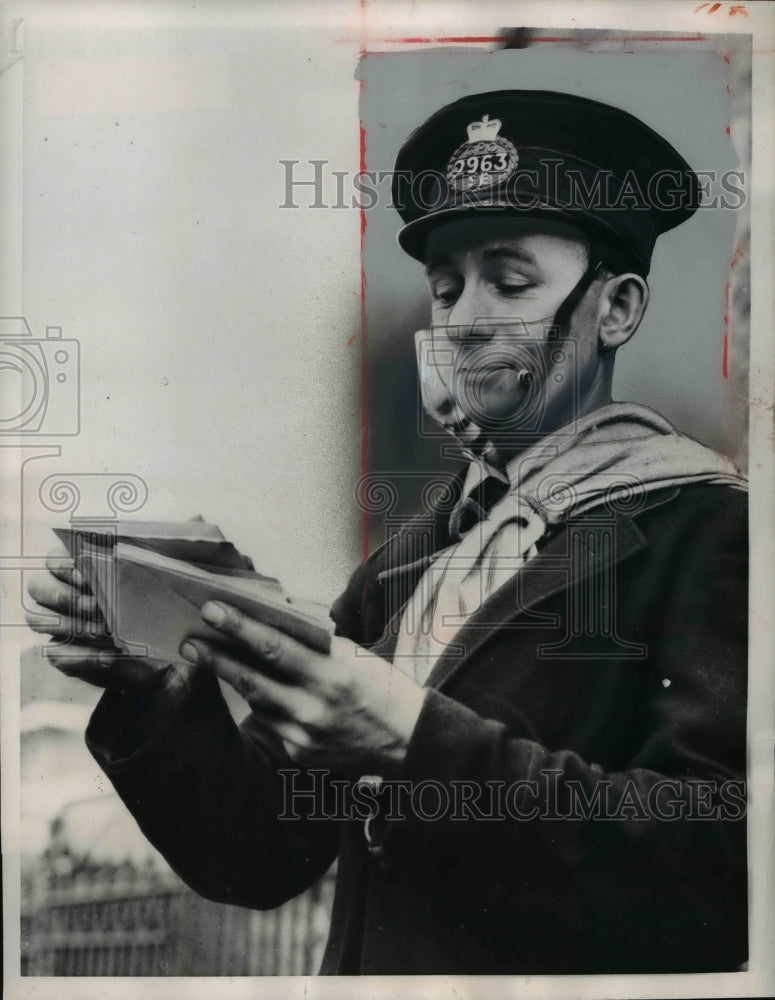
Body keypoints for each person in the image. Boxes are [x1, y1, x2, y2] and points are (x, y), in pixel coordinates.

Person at [26, 90, 748, 974]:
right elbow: (259, 857)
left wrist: (413, 743)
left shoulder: (714, 528)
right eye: (445, 288)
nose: (465, 318)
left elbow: (721, 870)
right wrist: (163, 689)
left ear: (618, 309)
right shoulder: (409, 559)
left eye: (510, 282)